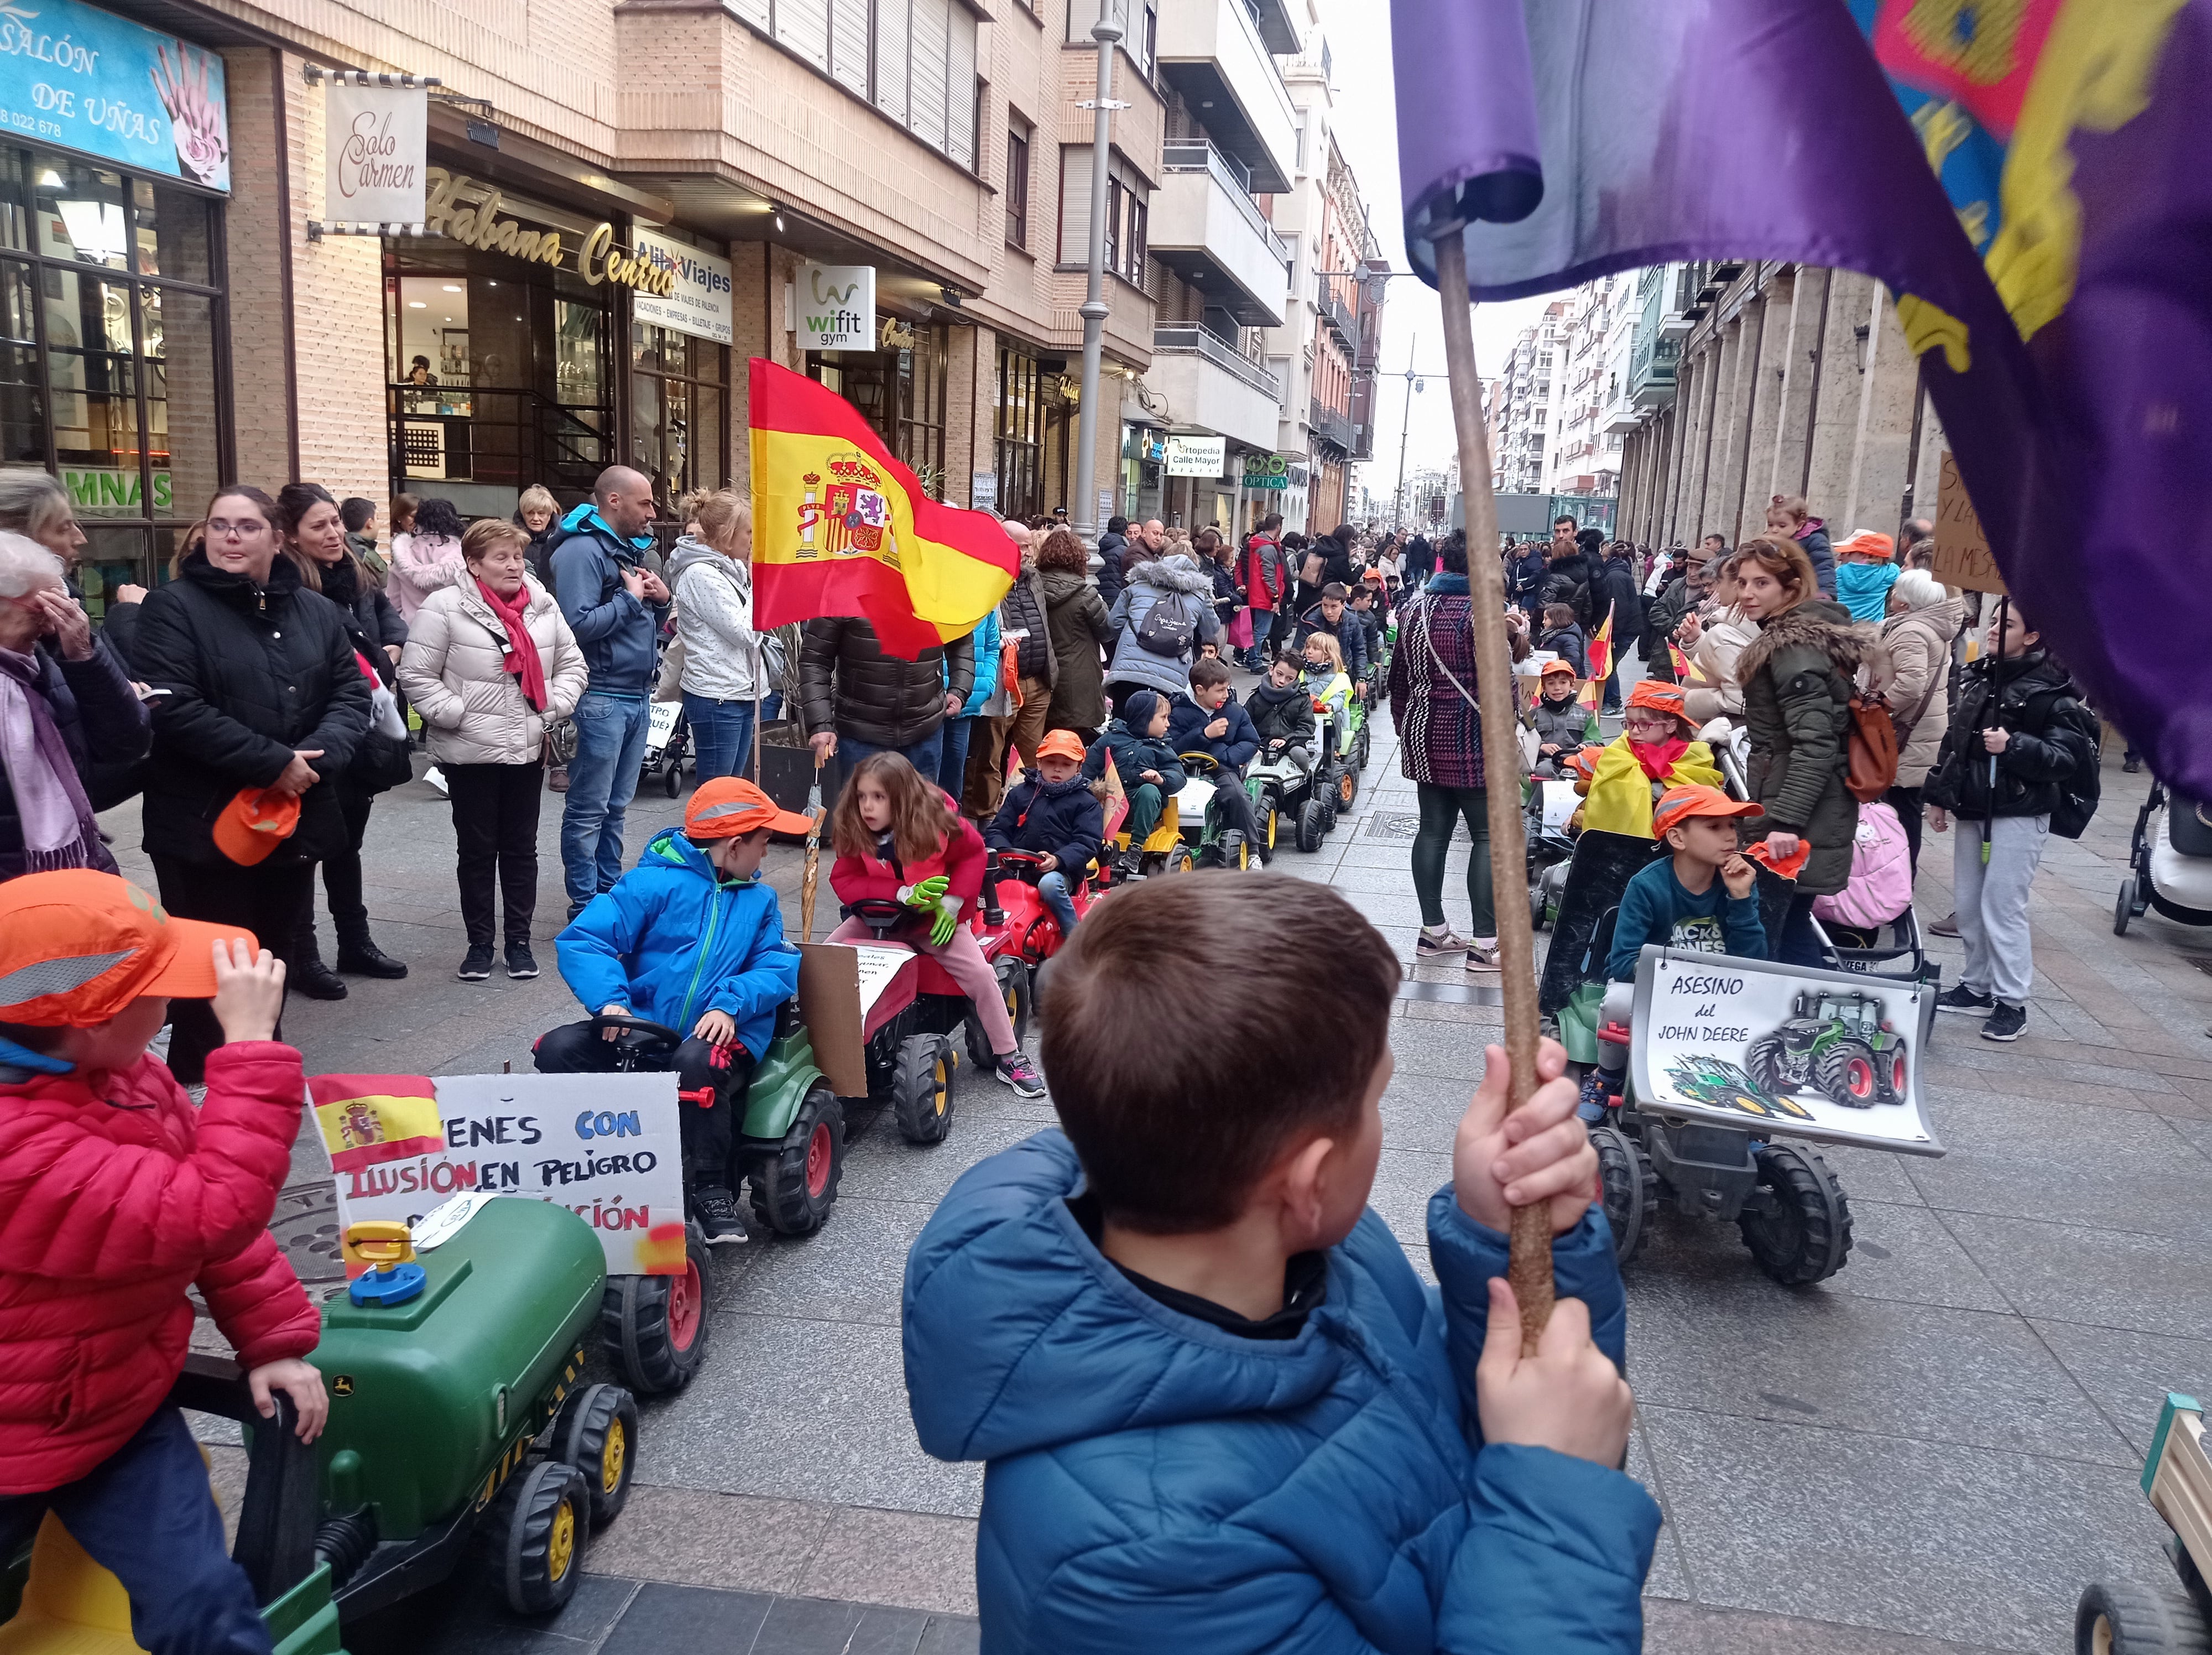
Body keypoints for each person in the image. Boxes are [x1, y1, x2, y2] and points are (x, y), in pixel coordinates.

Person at [902, 874, 1651, 1653]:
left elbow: (1438, 1390)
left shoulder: (1318, 1250)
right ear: (1310, 1181)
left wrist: (1506, 1242)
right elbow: (1529, 1456)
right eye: (1375, 1101)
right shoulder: (1141, 1561)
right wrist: (1555, 1501)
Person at [0, 872, 329, 1655]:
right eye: (161, 989)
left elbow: (205, 1225)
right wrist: (251, 1051)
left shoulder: (122, 1074)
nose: (179, 1004)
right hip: (10, 1434)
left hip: (117, 1411)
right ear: (91, 1020)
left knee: (206, 1605)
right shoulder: (18, 1147)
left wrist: (272, 1341)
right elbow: (209, 1206)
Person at [132, 485, 371, 1084]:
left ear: (276, 537)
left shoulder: (315, 611)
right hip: (203, 826)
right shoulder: (173, 607)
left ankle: (259, 1078)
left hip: (292, 817)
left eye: (245, 526)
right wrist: (272, 762)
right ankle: (201, 1092)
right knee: (210, 969)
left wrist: (317, 758)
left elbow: (350, 692)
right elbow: (173, 706)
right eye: (219, 526)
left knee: (271, 958)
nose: (230, 537)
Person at [540, 779, 808, 1241]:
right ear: (737, 845)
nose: (766, 856)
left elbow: (777, 965)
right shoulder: (649, 885)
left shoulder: (760, 902)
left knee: (695, 1061)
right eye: (764, 844)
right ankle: (580, 1160)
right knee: (558, 1048)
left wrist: (730, 1004)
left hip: (720, 1034)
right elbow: (586, 940)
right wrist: (611, 1004)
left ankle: (710, 1187)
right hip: (644, 1030)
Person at [400, 519, 588, 982]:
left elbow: (572, 664)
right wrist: (454, 713)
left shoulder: (542, 605)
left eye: (518, 556)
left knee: (522, 850)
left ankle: (519, 945)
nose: (513, 565)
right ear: (474, 564)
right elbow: (415, 673)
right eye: (501, 557)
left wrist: (551, 707)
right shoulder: (444, 607)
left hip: (526, 749)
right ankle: (480, 945)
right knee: (478, 852)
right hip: (470, 754)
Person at [1923, 603, 2099, 1043]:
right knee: (1968, 902)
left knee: (2003, 906)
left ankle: (2011, 1002)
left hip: (2019, 812)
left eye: (2010, 624)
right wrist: (1939, 796)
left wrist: (2013, 745)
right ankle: (1977, 985)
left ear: (2034, 637)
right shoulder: (1981, 678)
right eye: (1996, 622)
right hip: (1973, 807)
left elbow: (2065, 759)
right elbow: (1956, 743)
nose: (1997, 629)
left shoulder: (2051, 693)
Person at [825, 752, 1046, 1096]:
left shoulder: (939, 821)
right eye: (862, 796)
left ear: (901, 798)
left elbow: (974, 856)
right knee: (826, 961)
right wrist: (900, 893)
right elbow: (845, 879)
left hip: (934, 920)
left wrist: (952, 904)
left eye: (878, 797)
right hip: (878, 917)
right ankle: (824, 1046)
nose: (867, 806)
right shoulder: (855, 828)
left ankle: (1009, 1056)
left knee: (981, 975)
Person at [276, 482, 412, 995]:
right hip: (317, 731)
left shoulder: (354, 574)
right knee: (311, 845)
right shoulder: (292, 589)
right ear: (289, 536)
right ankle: (302, 955)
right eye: (320, 526)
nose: (334, 533)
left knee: (348, 843)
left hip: (362, 726)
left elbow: (390, 624)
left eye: (335, 521)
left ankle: (355, 941)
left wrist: (386, 658)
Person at [1387, 530, 1524, 972]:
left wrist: (1405, 728)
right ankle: (1485, 946)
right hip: (1475, 737)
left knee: (1432, 830)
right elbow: (1503, 691)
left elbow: (1398, 681)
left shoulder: (1412, 609)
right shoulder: (1485, 615)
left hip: (1424, 732)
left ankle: (1433, 932)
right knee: (1487, 837)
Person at [1732, 534, 1865, 967]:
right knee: (1786, 923)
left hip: (1800, 807)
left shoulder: (1792, 645)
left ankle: (1814, 1021)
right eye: (1743, 582)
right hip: (1796, 797)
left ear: (1790, 589)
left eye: (1761, 584)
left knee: (1785, 928)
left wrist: (1786, 821)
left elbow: (1816, 744)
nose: (1747, 593)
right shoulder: (1790, 636)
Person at [550, 465, 669, 919]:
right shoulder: (582, 551)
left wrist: (661, 602)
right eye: (646, 503)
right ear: (614, 501)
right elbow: (577, 625)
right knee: (589, 809)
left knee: (616, 806)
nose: (654, 513)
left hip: (635, 695)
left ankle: (607, 892)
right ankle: (586, 902)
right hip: (601, 697)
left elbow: (642, 626)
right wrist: (630, 600)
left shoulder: (624, 549)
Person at [0, 534, 146, 879]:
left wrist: (85, 657)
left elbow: (128, 742)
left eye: (62, 604)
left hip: (73, 870)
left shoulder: (47, 659)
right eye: (43, 608)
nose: (53, 623)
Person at [1606, 784, 1767, 980]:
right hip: (1655, 989)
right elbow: (1623, 965)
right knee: (1618, 1001)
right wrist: (1686, 979)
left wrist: (1741, 898)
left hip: (1720, 991)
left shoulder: (1741, 881)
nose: (1731, 836)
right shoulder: (1646, 886)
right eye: (1714, 827)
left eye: (1732, 825)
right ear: (1677, 838)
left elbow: (1752, 964)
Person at [799, 610, 973, 781]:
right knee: (860, 810)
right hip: (861, 734)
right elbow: (816, 660)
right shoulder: (845, 589)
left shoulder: (938, 589)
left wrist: (959, 689)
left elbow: (962, 641)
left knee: (920, 810)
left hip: (925, 731)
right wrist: (820, 725)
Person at [667, 491, 766, 785]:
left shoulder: (729, 566)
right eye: (748, 531)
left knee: (731, 787)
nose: (751, 539)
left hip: (737, 690)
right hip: (717, 695)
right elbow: (746, 632)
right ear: (727, 533)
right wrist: (758, 586)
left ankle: (720, 833)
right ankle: (704, 834)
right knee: (715, 792)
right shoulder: (701, 573)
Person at [1879, 568, 1964, 874]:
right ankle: (1901, 874)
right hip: (1924, 725)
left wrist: (1878, 705)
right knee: (1906, 805)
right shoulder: (1930, 626)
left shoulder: (1912, 630)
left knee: (1902, 807)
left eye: (1898, 591)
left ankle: (1900, 877)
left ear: (1907, 601)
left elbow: (1911, 684)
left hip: (1908, 729)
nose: (1893, 595)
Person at [968, 522, 1055, 818]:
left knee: (1033, 757)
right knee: (990, 755)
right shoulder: (983, 579)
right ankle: (986, 817)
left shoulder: (1032, 578)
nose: (1029, 552)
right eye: (1023, 545)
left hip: (1036, 680)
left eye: (1030, 544)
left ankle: (1030, 814)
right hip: (1002, 681)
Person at [984, 730, 1102, 938]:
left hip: (1061, 872)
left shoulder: (1086, 803)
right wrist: (1002, 852)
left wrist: (1059, 859)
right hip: (1015, 867)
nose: (1057, 769)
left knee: (1049, 885)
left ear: (1078, 768)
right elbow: (998, 829)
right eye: (1050, 762)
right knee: (980, 876)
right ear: (1039, 763)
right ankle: (982, 931)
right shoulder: (1020, 794)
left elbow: (1087, 842)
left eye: (1066, 765)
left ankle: (1074, 939)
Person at [1578, 681, 1724, 839]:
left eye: (1644, 724)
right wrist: (1656, 790)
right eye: (1630, 723)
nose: (1634, 731)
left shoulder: (1695, 755)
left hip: (1674, 842)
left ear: (1671, 726)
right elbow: (1605, 790)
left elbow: (1703, 798)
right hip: (1621, 843)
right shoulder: (1620, 748)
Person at [1082, 688, 1185, 879]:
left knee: (1149, 791)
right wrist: (1093, 789)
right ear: (1144, 718)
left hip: (1142, 805)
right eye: (1163, 718)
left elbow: (1179, 776)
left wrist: (1161, 778)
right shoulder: (1112, 739)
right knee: (1086, 792)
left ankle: (1136, 849)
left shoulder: (1161, 747)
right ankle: (1086, 843)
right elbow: (1086, 770)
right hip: (1111, 803)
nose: (1168, 724)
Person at [1166, 657, 1264, 859]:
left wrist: (1226, 756)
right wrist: (1204, 734)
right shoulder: (1177, 712)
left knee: (1237, 795)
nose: (1226, 695)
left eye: (1227, 689)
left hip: (1222, 769)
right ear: (1200, 690)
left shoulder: (1234, 711)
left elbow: (1251, 742)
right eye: (1220, 691)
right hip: (1183, 769)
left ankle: (1253, 851)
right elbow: (1171, 747)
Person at [1103, 549, 1219, 712]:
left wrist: (1138, 639)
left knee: (1122, 727)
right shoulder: (1199, 595)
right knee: (1160, 729)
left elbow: (1114, 621)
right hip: (1170, 678)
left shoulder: (1138, 585)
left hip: (1129, 671)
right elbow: (1211, 629)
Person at [1035, 527, 1115, 741]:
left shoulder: (1032, 587)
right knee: (1072, 744)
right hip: (1078, 680)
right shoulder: (1085, 593)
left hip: (1039, 675)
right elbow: (1107, 630)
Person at [1678, 551, 1757, 726]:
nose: (1715, 589)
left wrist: (1684, 698)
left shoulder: (1726, 632)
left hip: (1716, 729)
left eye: (1719, 582)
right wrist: (1697, 640)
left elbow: (1738, 701)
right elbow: (1722, 660)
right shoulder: (1742, 625)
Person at [388, 495, 467, 626]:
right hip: (452, 631)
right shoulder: (463, 556)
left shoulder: (403, 556)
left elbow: (393, 605)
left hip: (411, 630)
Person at [1245, 653, 1317, 783]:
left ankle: (1306, 788)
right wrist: (1252, 745)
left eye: (1290, 678)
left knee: (1300, 755)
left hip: (1290, 745)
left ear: (1296, 679)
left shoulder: (1302, 699)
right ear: (1271, 670)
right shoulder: (1256, 698)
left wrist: (1286, 739)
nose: (1283, 681)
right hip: (1260, 744)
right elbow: (1245, 725)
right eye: (1280, 674)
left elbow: (1307, 728)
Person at [1592, 542, 1645, 714]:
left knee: (1610, 665)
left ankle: (1614, 703)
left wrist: (1613, 636)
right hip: (1625, 628)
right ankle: (1609, 701)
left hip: (1624, 630)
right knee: (1608, 664)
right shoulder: (1616, 573)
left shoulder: (1615, 577)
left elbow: (1619, 608)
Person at [1527, 658, 1596, 776]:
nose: (1557, 688)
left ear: (1572, 685)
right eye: (1551, 683)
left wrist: (1586, 746)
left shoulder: (1584, 714)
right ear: (1544, 687)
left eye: (1563, 682)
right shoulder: (1533, 715)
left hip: (1576, 761)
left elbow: (1596, 740)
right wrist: (1541, 746)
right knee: (1544, 770)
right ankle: (1541, 795)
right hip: (1546, 761)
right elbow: (1523, 743)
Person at [1293, 581, 1369, 688]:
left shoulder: (1353, 621)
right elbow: (1302, 651)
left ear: (1343, 605)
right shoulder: (1311, 623)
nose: (1329, 611)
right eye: (1325, 606)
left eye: (1334, 607)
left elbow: (1359, 651)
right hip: (1316, 674)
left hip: (1346, 673)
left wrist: (1362, 678)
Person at [1765, 495, 1837, 598]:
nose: (1774, 530)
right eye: (1771, 525)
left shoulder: (1814, 540)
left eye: (1782, 526)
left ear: (1799, 525)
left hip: (1804, 593)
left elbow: (1824, 567)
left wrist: (1824, 592)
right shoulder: (1768, 541)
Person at [1831, 529, 1900, 623]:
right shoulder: (1890, 572)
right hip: (1872, 630)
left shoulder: (1839, 572)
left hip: (1841, 625)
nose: (1839, 557)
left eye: (1846, 553)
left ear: (1865, 556)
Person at [339, 496, 389, 589]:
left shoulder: (345, 547)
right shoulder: (364, 555)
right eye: (377, 518)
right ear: (370, 523)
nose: (379, 523)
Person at [515, 483, 560, 585]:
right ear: (523, 514)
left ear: (550, 515)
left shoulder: (561, 540)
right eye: (530, 513)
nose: (536, 519)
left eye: (541, 513)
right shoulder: (511, 539)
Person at [1538, 601, 1589, 678]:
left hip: (1561, 679)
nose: (1543, 622)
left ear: (1556, 619)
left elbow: (1573, 660)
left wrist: (1557, 670)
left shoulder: (1570, 638)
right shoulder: (1550, 635)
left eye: (1546, 619)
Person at [1094, 516, 1130, 612]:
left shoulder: (1100, 547)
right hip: (1118, 597)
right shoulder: (1124, 551)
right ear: (1126, 532)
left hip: (1101, 595)